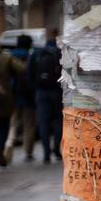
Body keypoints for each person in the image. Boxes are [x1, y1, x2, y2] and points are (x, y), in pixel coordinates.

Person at [0, 35, 26, 171]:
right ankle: (0, 149)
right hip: (4, 98)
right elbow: (22, 68)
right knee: (3, 126)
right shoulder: (6, 57)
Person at [2, 34, 37, 163]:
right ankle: (28, 151)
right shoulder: (31, 56)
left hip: (12, 95)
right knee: (29, 124)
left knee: (13, 123)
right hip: (28, 95)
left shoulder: (9, 56)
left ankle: (9, 142)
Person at [30, 29, 63, 163]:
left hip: (41, 92)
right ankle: (56, 148)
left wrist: (35, 90)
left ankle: (46, 153)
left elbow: (29, 74)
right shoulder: (60, 53)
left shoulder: (37, 54)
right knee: (58, 121)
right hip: (57, 91)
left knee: (43, 122)